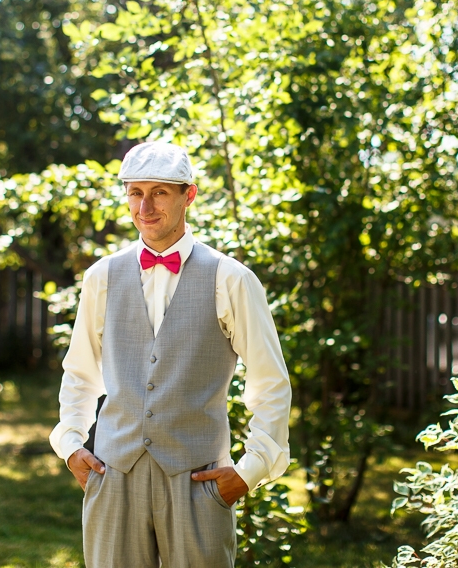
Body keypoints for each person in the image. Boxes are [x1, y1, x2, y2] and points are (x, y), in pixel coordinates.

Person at [49, 142, 292, 568]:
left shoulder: (231, 278)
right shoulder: (101, 276)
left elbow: (270, 381)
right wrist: (71, 445)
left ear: (189, 195)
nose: (145, 206)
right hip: (114, 475)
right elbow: (80, 372)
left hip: (197, 481)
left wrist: (250, 470)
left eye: (159, 192)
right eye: (135, 192)